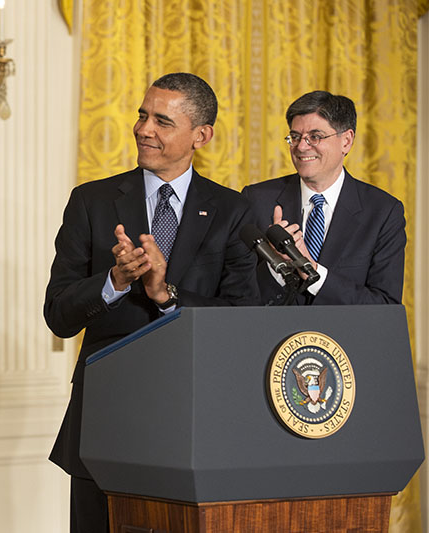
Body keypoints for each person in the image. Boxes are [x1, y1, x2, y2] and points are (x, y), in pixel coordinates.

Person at [44, 72, 260, 533]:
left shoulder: (232, 211)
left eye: (163, 121)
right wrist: (114, 280)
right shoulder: (92, 201)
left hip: (194, 426)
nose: (144, 129)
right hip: (105, 423)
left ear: (201, 135)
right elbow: (58, 314)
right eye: (143, 115)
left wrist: (166, 295)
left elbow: (244, 321)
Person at [242, 91, 406, 305]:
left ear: (346, 141)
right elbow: (236, 293)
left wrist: (313, 271)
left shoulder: (383, 211)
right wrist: (276, 266)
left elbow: (385, 306)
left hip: (345, 338)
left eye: (315, 137)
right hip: (269, 335)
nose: (301, 147)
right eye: (295, 136)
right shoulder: (256, 200)